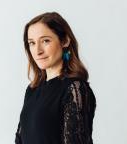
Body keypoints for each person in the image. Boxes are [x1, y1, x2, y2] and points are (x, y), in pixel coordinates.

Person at [15, 12, 96, 144]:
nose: (38, 51)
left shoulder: (75, 88)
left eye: (45, 41)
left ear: (64, 41)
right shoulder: (32, 90)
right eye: (32, 43)